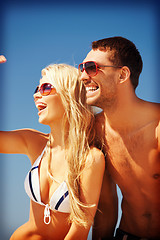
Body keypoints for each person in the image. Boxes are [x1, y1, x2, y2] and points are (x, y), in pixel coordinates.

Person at [0, 56, 105, 240]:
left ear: (68, 95)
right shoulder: (33, 142)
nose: (36, 95)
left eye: (46, 88)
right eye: (36, 89)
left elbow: (81, 228)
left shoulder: (90, 159)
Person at [79, 37, 160, 240]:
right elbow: (106, 208)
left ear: (122, 74)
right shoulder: (95, 131)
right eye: (82, 68)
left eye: (91, 68)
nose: (82, 76)